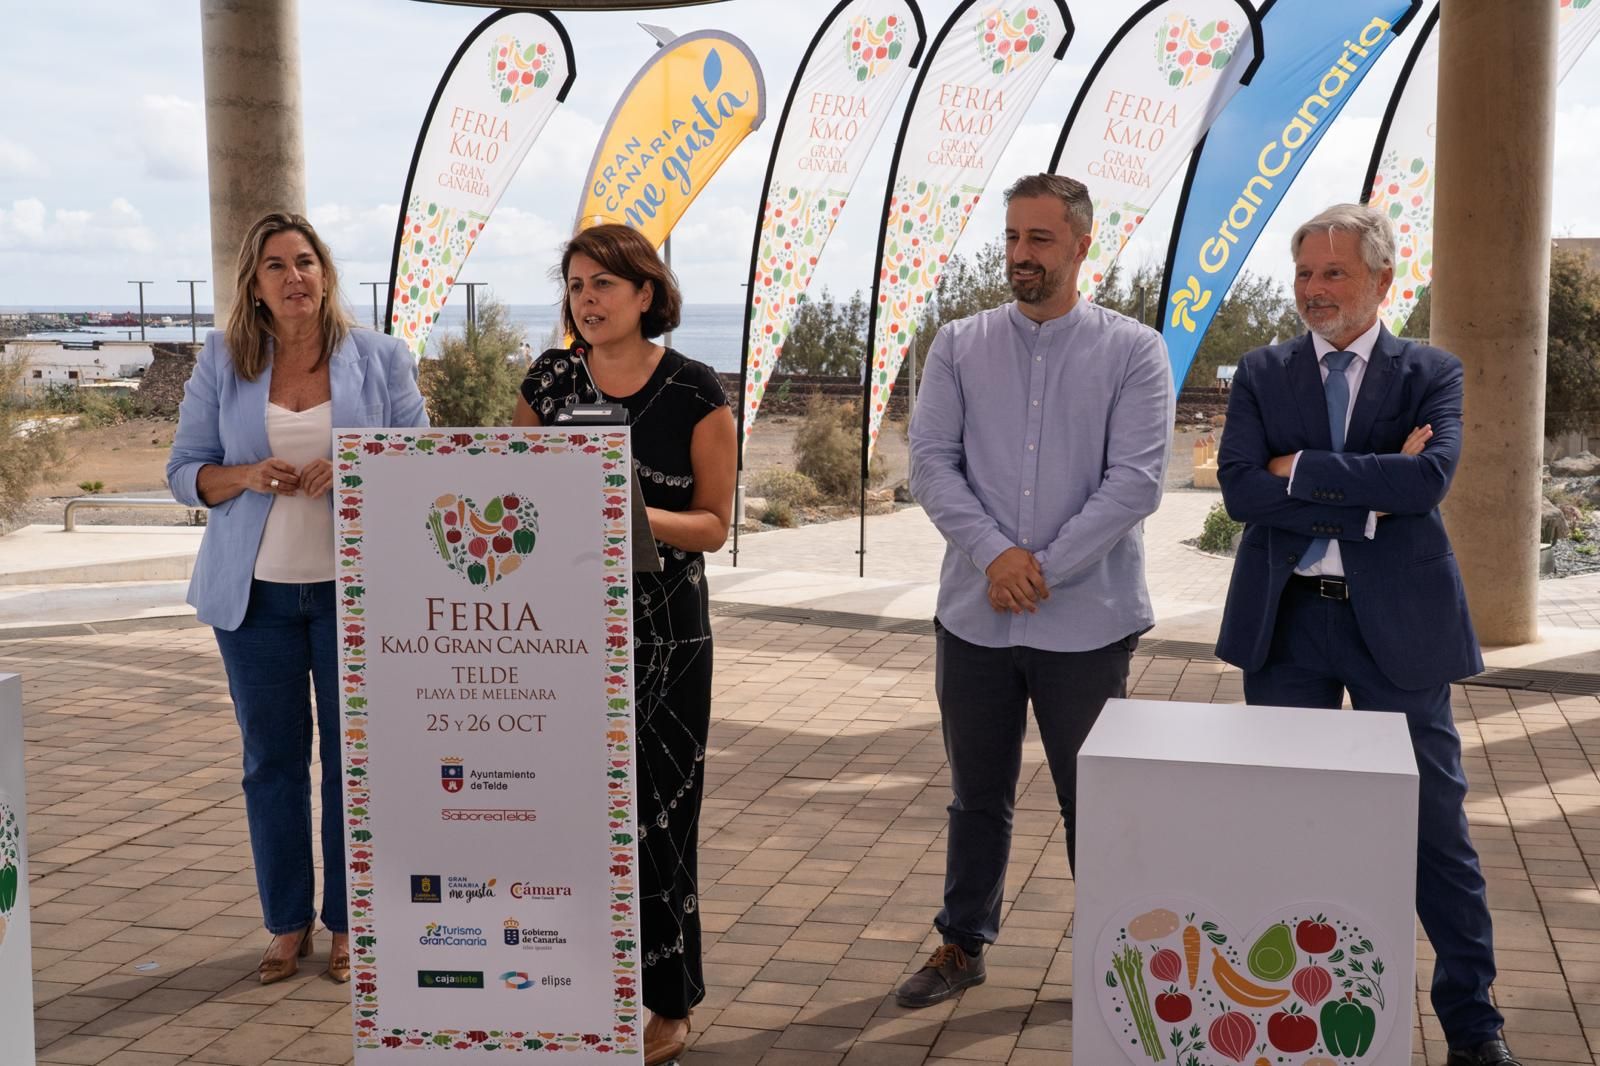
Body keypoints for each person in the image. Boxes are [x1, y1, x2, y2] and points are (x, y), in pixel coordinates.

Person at [1215, 203, 1517, 1066]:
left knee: (1435, 827)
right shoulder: (1262, 372)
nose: (1314, 290)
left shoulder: (1432, 371)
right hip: (1290, 624)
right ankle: (1286, 1016)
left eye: (1334, 273)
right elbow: (1241, 491)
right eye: (1305, 273)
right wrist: (1371, 484)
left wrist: (1300, 468)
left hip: (1402, 631)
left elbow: (1429, 480)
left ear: (1383, 280)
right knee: (1285, 819)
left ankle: (1474, 1023)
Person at [898, 174, 1173, 1008]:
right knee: (975, 794)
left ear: (1082, 245)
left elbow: (1135, 483)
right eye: (1013, 237)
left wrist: (1039, 566)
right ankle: (961, 943)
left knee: (1093, 797)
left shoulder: (1134, 351)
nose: (1020, 254)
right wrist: (994, 557)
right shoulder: (957, 344)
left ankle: (1116, 956)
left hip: (1086, 623)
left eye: (1040, 239)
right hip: (975, 615)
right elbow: (929, 466)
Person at [167, 212, 428, 985]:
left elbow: (422, 464)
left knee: (357, 765)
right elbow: (186, 472)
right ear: (254, 283)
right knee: (272, 764)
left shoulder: (380, 358)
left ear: (326, 273)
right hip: (256, 604)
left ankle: (351, 924)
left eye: (306, 261)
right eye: (276, 265)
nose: (294, 277)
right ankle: (287, 925)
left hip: (359, 597)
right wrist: (244, 475)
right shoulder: (222, 360)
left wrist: (355, 473)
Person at [513, 223, 735, 1065]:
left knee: (659, 822)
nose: (587, 300)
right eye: (575, 286)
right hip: (566, 632)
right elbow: (515, 492)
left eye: (603, 284)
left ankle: (671, 1004)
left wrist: (622, 513)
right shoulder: (550, 379)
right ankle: (575, 986)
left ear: (646, 293)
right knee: (574, 816)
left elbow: (715, 524)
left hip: (667, 638)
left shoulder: (696, 391)